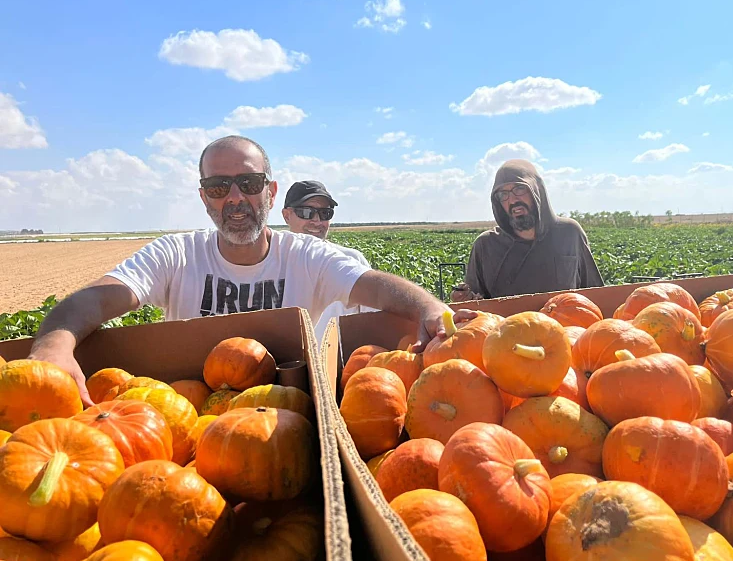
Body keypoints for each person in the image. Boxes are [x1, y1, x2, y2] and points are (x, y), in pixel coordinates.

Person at [28, 135, 469, 405]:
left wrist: (430, 308)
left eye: (250, 183)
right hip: (190, 416)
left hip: (288, 417)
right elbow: (99, 297)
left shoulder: (305, 256)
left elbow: (374, 286)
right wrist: (53, 346)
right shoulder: (176, 255)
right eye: (219, 186)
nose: (235, 197)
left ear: (271, 192)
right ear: (204, 198)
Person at [451, 159, 603, 301]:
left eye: (519, 189)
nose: (512, 200)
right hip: (507, 329)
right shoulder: (486, 245)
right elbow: (475, 309)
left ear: (537, 190)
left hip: (565, 326)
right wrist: (466, 299)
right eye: (503, 194)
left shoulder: (569, 233)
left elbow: (595, 295)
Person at [281, 179, 376, 340]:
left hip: (341, 364)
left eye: (325, 213)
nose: (317, 221)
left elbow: (374, 320)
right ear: (286, 216)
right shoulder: (274, 262)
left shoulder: (352, 260)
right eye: (306, 212)